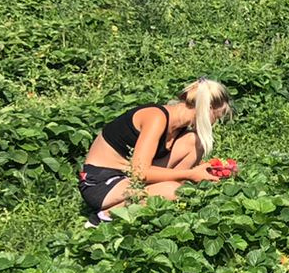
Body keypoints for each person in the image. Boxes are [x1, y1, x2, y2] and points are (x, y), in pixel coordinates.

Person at [78, 79, 234, 221]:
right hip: (100, 182)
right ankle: (103, 217)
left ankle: (162, 197)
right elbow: (140, 172)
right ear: (206, 109)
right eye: (217, 117)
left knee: (195, 142)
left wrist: (213, 169)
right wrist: (191, 174)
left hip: (127, 176)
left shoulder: (179, 126)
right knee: (173, 191)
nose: (215, 123)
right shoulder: (156, 118)